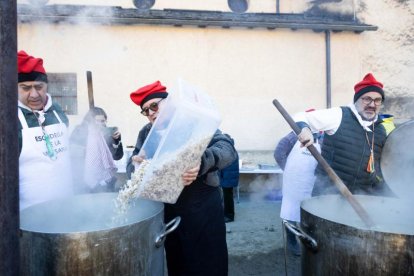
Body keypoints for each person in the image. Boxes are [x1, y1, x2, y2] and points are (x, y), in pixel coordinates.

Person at [126, 80, 237, 276]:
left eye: (154, 105)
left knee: (210, 263)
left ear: (168, 103)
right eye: (145, 110)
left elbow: (227, 149)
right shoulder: (146, 133)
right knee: (178, 263)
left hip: (203, 210)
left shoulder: (193, 122)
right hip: (169, 212)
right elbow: (133, 164)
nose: (151, 113)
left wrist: (201, 161)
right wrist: (136, 166)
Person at [295, 73, 394, 196]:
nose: (372, 104)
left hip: (360, 197)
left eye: (377, 100)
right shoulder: (339, 115)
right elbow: (301, 116)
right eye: (367, 99)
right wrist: (306, 130)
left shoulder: (380, 130)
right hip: (328, 194)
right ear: (356, 100)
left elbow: (379, 167)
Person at [17, 50, 73, 210]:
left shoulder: (57, 111)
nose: (34, 94)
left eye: (39, 87)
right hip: (29, 211)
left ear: (46, 86)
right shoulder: (9, 118)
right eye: (25, 88)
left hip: (67, 204)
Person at [275, 129, 322, 256]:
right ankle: (292, 242)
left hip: (311, 182)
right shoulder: (293, 135)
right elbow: (279, 153)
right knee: (290, 212)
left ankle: (307, 241)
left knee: (309, 212)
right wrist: (289, 170)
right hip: (293, 183)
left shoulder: (322, 137)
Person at [70, 107, 123, 193]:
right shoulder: (80, 131)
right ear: (89, 121)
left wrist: (116, 140)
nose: (101, 124)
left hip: (105, 183)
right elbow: (71, 152)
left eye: (103, 121)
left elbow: (117, 156)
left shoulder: (106, 133)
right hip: (83, 182)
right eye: (97, 121)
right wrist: (88, 151)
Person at [218, 136, 240, 223]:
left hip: (228, 177)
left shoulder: (228, 150)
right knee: (228, 196)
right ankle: (227, 214)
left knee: (228, 197)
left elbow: (224, 165)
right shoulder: (231, 149)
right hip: (228, 177)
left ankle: (229, 216)